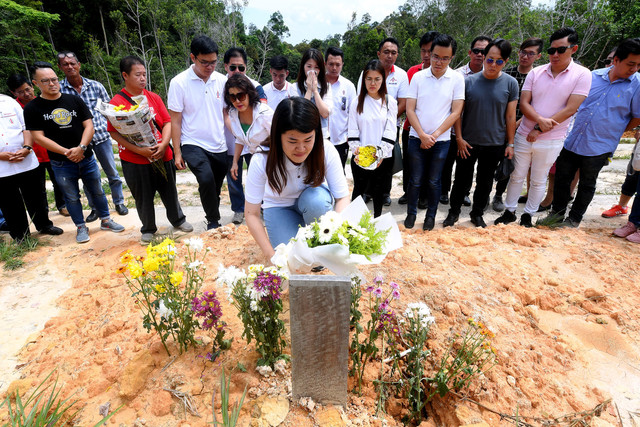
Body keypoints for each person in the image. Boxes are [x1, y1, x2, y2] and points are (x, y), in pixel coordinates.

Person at [496, 27, 592, 227]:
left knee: (539, 179)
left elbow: (571, 108)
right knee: (516, 176)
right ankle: (510, 211)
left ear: (573, 49)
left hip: (552, 139)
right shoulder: (536, 72)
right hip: (524, 135)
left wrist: (538, 129)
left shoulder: (583, 75)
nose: (555, 54)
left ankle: (528, 215)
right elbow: (524, 103)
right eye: (551, 50)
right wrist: (539, 120)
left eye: (561, 50)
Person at [24, 61, 124, 243]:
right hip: (61, 162)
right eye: (45, 81)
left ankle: (106, 220)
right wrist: (67, 152)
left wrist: (82, 148)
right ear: (35, 84)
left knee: (98, 191)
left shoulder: (73, 100)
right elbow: (38, 137)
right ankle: (80, 226)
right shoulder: (32, 108)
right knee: (71, 196)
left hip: (86, 157)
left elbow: (89, 125)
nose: (52, 84)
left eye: (54, 79)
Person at [549, 38, 640, 228]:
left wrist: (615, 129)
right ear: (615, 60)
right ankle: (555, 215)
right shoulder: (592, 77)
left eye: (639, 65)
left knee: (587, 183)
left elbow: (637, 117)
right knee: (562, 178)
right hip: (573, 139)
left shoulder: (637, 85)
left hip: (601, 145)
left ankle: (574, 219)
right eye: (631, 64)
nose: (634, 69)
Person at [244, 97, 349, 258]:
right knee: (292, 258)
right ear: (278, 135)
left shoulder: (325, 150)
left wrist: (336, 234)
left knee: (316, 204)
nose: (301, 148)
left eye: (308, 140)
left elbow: (342, 198)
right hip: (279, 207)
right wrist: (271, 255)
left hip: (313, 203)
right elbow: (251, 213)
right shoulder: (261, 159)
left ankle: (317, 239)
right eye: (292, 141)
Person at [107, 56, 193, 244]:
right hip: (135, 160)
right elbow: (114, 133)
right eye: (137, 75)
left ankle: (178, 219)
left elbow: (168, 121)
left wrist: (163, 145)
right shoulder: (116, 103)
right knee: (143, 197)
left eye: (144, 74)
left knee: (169, 191)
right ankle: (148, 228)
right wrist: (140, 151)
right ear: (125, 75)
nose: (142, 78)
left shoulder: (153, 97)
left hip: (163, 155)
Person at [443, 39, 518, 228]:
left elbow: (510, 117)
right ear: (484, 57)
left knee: (484, 183)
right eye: (490, 59)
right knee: (461, 180)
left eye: (499, 61)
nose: (493, 65)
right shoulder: (467, 82)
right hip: (467, 142)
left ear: (506, 62)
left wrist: (510, 144)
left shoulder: (511, 84)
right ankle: (453, 213)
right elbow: (458, 113)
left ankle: (477, 214)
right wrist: (459, 138)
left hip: (494, 144)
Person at [57, 51, 128, 221]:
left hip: (102, 136)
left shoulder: (95, 86)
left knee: (112, 171)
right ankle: (95, 208)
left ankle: (119, 202)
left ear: (79, 65)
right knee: (87, 177)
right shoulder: (60, 90)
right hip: (80, 142)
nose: (70, 67)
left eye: (72, 63)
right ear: (60, 68)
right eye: (65, 64)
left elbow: (109, 110)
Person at [404, 34, 465, 230]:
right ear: (430, 54)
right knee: (415, 180)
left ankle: (431, 215)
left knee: (434, 180)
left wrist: (435, 135)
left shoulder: (456, 79)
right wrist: (422, 134)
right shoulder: (418, 77)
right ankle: (411, 213)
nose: (439, 62)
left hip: (441, 141)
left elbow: (456, 112)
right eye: (436, 56)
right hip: (416, 138)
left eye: (445, 58)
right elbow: (410, 109)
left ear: (452, 58)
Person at [168, 35, 228, 230]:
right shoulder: (179, 83)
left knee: (214, 187)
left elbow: (226, 113)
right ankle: (213, 221)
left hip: (218, 143)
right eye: (205, 62)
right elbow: (175, 120)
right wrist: (177, 152)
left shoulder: (222, 80)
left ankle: (212, 213)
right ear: (193, 57)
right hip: (192, 142)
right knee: (205, 179)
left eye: (213, 62)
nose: (210, 67)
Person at [0, 94, 63, 241]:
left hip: (26, 159)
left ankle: (44, 225)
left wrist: (27, 147)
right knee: (10, 202)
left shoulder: (8, 101)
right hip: (2, 167)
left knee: (36, 196)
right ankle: (20, 235)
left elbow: (26, 127)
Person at [492, 37, 544, 211]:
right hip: (500, 126)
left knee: (509, 163)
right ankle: (484, 194)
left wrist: (517, 123)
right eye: (523, 52)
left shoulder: (538, 78)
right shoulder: (507, 73)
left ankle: (499, 195)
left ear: (538, 56)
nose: (525, 56)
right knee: (492, 163)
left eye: (530, 53)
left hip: (524, 128)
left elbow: (536, 105)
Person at [441, 36, 492, 207]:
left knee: (468, 167)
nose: (480, 54)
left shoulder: (492, 75)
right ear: (470, 53)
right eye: (476, 51)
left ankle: (464, 193)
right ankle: (443, 191)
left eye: (484, 52)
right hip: (454, 129)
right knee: (448, 163)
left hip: (474, 131)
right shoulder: (457, 75)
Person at [7, 73, 67, 217]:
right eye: (20, 92)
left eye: (28, 89)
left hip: (51, 150)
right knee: (37, 188)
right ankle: (43, 212)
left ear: (33, 86)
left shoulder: (43, 102)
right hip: (32, 154)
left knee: (59, 181)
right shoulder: (13, 108)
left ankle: (62, 205)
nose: (26, 94)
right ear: (13, 93)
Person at [359, 38, 410, 206]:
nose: (389, 56)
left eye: (393, 53)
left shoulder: (401, 75)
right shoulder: (366, 72)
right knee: (368, 156)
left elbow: (402, 102)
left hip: (390, 126)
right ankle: (367, 191)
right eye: (386, 52)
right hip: (368, 125)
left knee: (387, 160)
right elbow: (361, 98)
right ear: (379, 53)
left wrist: (386, 120)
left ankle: (384, 192)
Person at [222, 47, 268, 225]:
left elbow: (267, 125)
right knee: (234, 177)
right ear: (226, 66)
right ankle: (240, 210)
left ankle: (264, 207)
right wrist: (237, 132)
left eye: (241, 68)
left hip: (259, 146)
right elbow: (229, 119)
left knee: (258, 176)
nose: (236, 72)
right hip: (233, 141)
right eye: (233, 67)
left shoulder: (257, 92)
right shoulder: (223, 88)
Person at [348, 60, 398, 217]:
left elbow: (390, 129)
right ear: (364, 80)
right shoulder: (357, 101)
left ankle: (377, 221)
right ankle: (353, 223)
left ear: (383, 80)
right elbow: (352, 127)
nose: (373, 83)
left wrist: (381, 152)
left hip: (382, 157)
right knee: (359, 190)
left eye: (377, 79)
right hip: (361, 155)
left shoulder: (390, 102)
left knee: (378, 192)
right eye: (369, 78)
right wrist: (358, 150)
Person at [399, 31, 439, 205]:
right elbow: (409, 102)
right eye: (423, 51)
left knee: (429, 166)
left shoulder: (445, 75)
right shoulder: (413, 71)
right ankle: (408, 193)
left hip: (432, 131)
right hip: (411, 128)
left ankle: (423, 196)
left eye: (430, 51)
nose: (426, 55)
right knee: (410, 164)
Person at [325, 46, 357, 169]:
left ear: (342, 64)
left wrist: (351, 136)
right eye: (331, 64)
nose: (334, 68)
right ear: (325, 63)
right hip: (320, 140)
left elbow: (353, 114)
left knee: (338, 174)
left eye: (337, 64)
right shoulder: (317, 84)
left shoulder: (349, 86)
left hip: (341, 141)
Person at [295, 48, 333, 140]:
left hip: (322, 136)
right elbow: (300, 114)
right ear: (303, 66)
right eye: (309, 66)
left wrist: (315, 91)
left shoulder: (326, 87)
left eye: (316, 67)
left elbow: (325, 113)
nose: (312, 71)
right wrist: (308, 90)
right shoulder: (295, 87)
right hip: (302, 135)